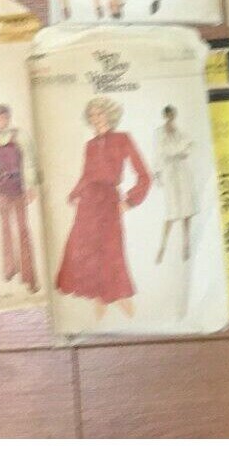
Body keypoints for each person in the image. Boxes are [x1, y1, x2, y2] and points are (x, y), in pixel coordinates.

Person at [53, 97, 152, 319]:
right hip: (87, 203)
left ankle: (122, 303)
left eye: (99, 113)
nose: (95, 118)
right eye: (92, 115)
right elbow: (86, 176)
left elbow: (145, 175)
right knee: (85, 250)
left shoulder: (123, 139)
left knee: (110, 251)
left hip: (109, 201)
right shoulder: (89, 145)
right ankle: (101, 304)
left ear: (109, 114)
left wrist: (130, 201)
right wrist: (74, 194)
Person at [0, 104, 38, 292]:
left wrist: (31, 186)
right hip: (2, 189)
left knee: (23, 230)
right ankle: (10, 268)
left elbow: (30, 162)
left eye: (4, 116)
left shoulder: (20, 135)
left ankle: (29, 277)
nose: (1, 120)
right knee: (5, 229)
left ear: (8, 117)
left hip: (18, 188)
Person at [154, 106, 197, 264]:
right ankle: (162, 247)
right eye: (168, 115)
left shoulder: (180, 132)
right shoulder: (159, 132)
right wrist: (157, 173)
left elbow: (190, 145)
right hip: (169, 172)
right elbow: (160, 152)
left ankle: (186, 244)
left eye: (172, 114)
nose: (170, 117)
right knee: (171, 212)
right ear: (164, 115)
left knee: (186, 210)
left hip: (182, 171)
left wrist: (183, 151)